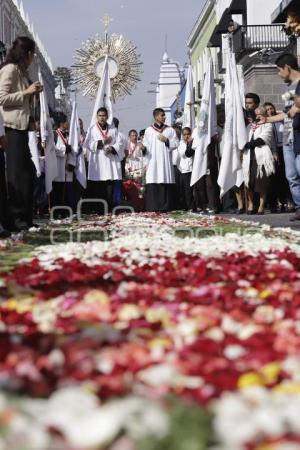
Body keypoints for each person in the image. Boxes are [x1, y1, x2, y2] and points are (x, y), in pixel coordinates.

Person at [0, 36, 43, 231]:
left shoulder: (21, 72)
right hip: (11, 128)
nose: (33, 58)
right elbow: (2, 98)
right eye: (32, 54)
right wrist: (26, 93)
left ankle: (27, 217)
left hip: (23, 127)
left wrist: (32, 94)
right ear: (27, 53)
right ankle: (17, 220)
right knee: (17, 176)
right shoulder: (9, 70)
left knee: (27, 175)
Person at [260, 54, 300, 221]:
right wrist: (267, 119)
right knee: (291, 176)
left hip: (298, 134)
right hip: (288, 138)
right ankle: (299, 207)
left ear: (287, 68)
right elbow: (286, 113)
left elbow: (295, 108)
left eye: (278, 70)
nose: (278, 74)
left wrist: (296, 110)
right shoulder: (288, 88)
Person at [84, 107, 122, 212]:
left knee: (109, 187)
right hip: (98, 162)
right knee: (98, 187)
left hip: (109, 162)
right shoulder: (92, 129)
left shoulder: (113, 129)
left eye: (104, 115)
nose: (102, 118)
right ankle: (98, 210)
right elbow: (88, 144)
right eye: (100, 116)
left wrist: (112, 148)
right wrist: (102, 142)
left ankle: (109, 209)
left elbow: (119, 143)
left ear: (107, 116)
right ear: (97, 117)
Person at [142, 108, 178, 212]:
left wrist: (167, 141)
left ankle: (165, 207)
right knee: (153, 180)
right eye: (162, 115)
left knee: (165, 180)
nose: (164, 117)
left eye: (164, 115)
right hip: (153, 161)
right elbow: (145, 146)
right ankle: (153, 207)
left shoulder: (170, 130)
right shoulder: (148, 130)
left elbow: (176, 143)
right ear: (156, 117)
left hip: (165, 161)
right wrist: (143, 148)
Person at [242, 106, 275, 214]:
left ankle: (261, 206)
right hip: (249, 157)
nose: (258, 116)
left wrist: (246, 144)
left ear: (265, 115)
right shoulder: (249, 127)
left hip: (261, 157)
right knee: (249, 182)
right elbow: (242, 138)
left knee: (262, 182)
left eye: (260, 114)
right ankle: (251, 204)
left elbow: (261, 140)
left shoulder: (268, 125)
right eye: (256, 114)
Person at [264, 101, 293, 212]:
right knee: (273, 178)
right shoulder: (265, 123)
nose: (270, 111)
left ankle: (287, 201)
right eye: (267, 110)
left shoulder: (280, 120)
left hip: (284, 148)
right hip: (271, 151)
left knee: (285, 177)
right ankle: (274, 203)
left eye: (271, 108)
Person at [50, 113, 76, 216]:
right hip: (58, 167)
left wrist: (71, 163)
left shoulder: (69, 135)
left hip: (67, 167)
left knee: (67, 190)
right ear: (62, 123)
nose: (68, 123)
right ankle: (56, 211)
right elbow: (52, 149)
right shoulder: (54, 134)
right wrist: (65, 149)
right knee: (58, 189)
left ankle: (66, 211)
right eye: (66, 121)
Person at [177, 127, 194, 210]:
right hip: (185, 170)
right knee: (187, 190)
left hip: (194, 169)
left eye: (188, 134)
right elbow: (184, 154)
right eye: (184, 134)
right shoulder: (180, 144)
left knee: (195, 190)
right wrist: (188, 144)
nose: (186, 136)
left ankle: (197, 206)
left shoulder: (194, 142)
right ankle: (189, 206)